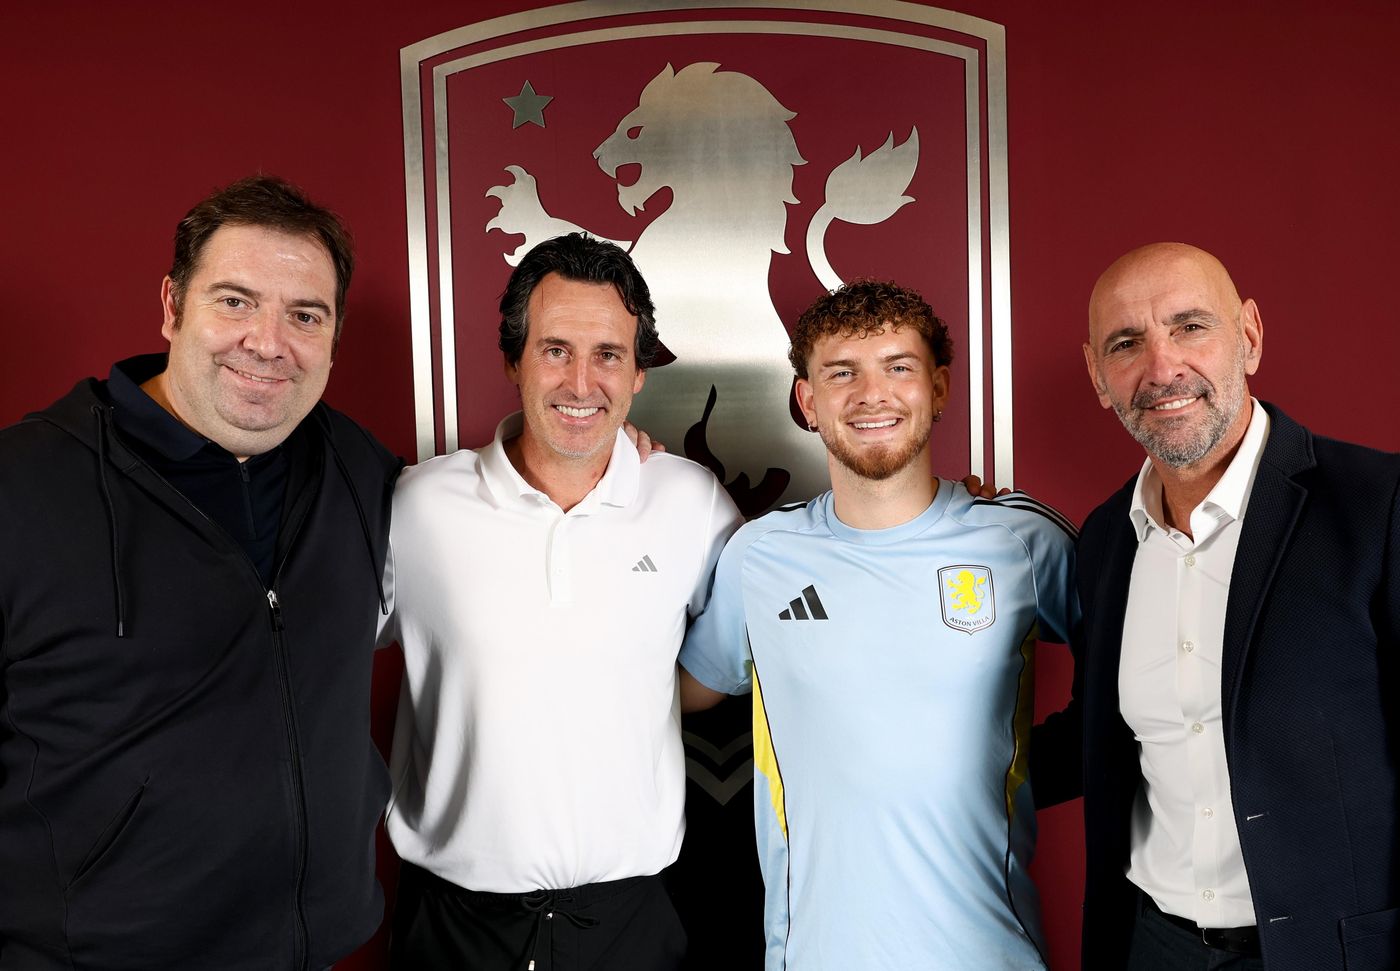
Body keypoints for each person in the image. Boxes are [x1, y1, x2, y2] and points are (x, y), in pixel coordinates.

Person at [0, 176, 401, 969]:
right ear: (172, 306)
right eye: (236, 301)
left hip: (312, 952)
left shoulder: (362, 473)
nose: (267, 341)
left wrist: (613, 455)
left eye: (305, 315)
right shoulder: (22, 485)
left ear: (333, 337)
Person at [678, 280, 1080, 970]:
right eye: (843, 373)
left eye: (898, 366)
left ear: (940, 386)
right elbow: (683, 693)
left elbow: (1140, 686)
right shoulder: (759, 556)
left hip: (994, 955)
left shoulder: (1023, 540)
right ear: (808, 400)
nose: (873, 394)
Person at [379, 233, 742, 970]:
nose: (582, 381)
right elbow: (309, 646)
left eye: (608, 353)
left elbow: (750, 643)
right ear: (514, 361)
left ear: (639, 372)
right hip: (453, 926)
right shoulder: (417, 505)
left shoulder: (690, 501)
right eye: (555, 350)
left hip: (631, 923)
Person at [1056, 241, 1399, 970]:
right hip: (1152, 945)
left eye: (1189, 326)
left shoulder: (1380, 507)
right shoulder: (1103, 543)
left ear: (1248, 336)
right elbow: (1097, 744)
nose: (1162, 367)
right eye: (1127, 343)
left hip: (1331, 953)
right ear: (1097, 376)